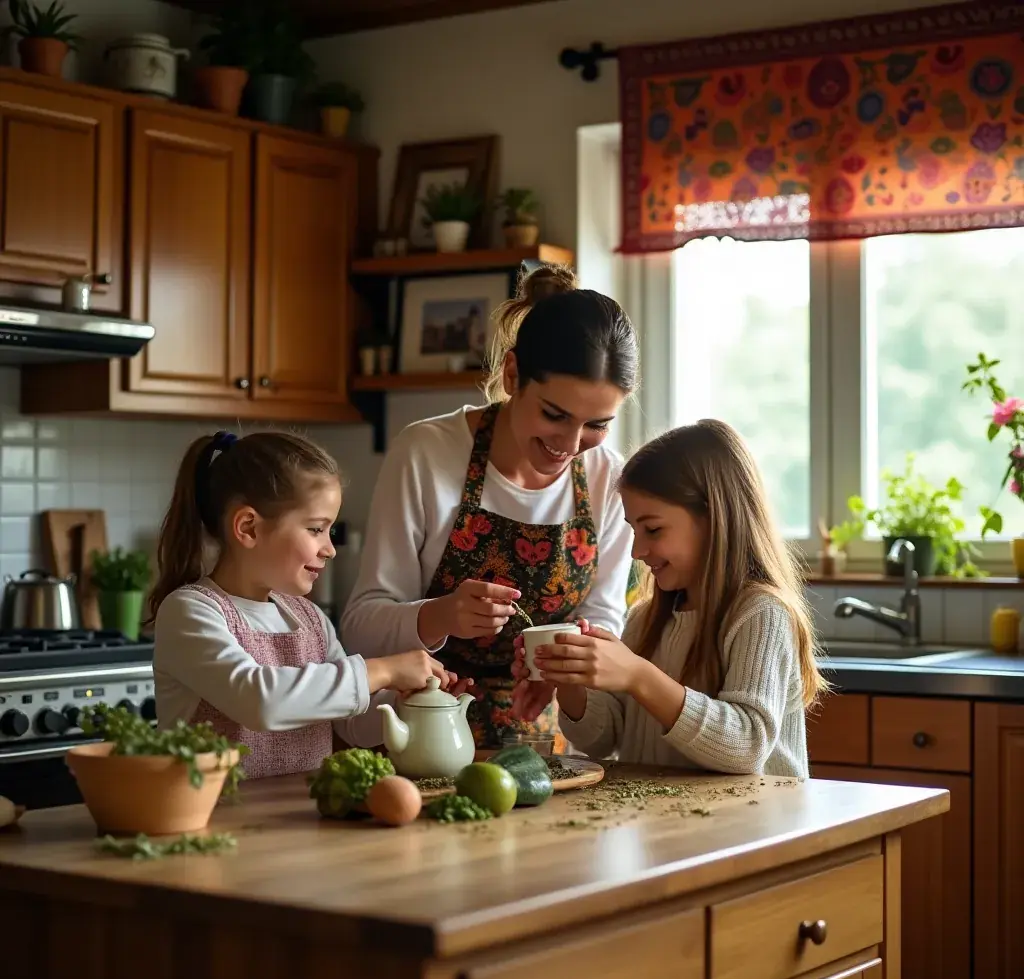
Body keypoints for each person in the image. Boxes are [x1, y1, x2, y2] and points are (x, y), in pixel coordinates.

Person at [341, 264, 638, 752]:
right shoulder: (427, 453)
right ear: (513, 373)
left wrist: (565, 668)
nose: (569, 444)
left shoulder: (608, 476)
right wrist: (440, 615)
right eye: (554, 414)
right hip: (420, 743)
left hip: (549, 749)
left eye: (596, 424)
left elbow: (604, 621)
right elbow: (362, 623)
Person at [511, 420, 826, 777]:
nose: (637, 550)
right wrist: (569, 679)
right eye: (633, 529)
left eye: (653, 529)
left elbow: (747, 748)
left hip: (756, 826)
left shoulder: (761, 614)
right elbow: (602, 740)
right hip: (668, 826)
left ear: (713, 517)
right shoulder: (645, 620)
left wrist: (638, 676)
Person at [151, 430, 456, 781]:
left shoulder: (309, 618)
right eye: (315, 529)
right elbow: (260, 700)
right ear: (248, 527)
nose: (330, 549)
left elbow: (352, 725)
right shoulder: (190, 612)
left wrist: (408, 701)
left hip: (302, 825)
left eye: (330, 531)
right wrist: (384, 670)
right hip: (211, 825)